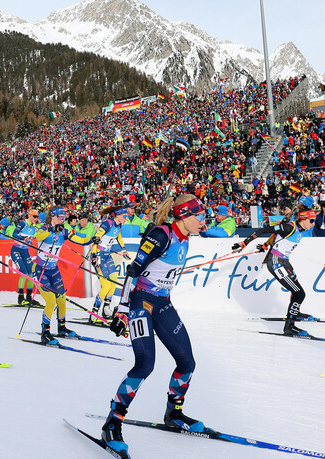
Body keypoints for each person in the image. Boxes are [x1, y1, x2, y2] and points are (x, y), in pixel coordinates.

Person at [99, 194, 209, 456]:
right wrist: (123, 311)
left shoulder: (185, 237)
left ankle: (174, 413)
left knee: (187, 362)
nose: (203, 221)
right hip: (141, 304)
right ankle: (112, 423)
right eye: (200, 216)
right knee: (145, 363)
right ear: (183, 215)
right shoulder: (161, 235)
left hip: (163, 304)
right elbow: (133, 272)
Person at [232, 202, 317, 335]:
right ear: (303, 219)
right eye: (311, 221)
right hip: (276, 262)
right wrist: (244, 243)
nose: (313, 224)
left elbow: (277, 238)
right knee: (300, 293)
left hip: (284, 261)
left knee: (295, 287)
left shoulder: (299, 229)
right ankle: (289, 326)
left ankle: (295, 312)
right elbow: (264, 230)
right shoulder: (289, 228)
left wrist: (266, 245)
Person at [35, 207, 77, 343]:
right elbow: (39, 237)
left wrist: (92, 240)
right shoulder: (44, 228)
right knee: (51, 301)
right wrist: (52, 230)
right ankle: (45, 332)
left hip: (54, 270)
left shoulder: (64, 231)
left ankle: (62, 327)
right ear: (53, 216)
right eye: (60, 217)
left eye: (64, 217)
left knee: (61, 299)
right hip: (41, 270)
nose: (63, 219)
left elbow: (78, 239)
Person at [89, 205, 132, 324]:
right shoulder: (107, 224)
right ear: (118, 215)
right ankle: (94, 311)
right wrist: (93, 255)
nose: (126, 218)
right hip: (98, 256)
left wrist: (124, 250)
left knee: (114, 281)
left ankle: (106, 308)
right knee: (106, 286)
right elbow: (96, 238)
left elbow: (118, 237)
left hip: (107, 255)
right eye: (124, 216)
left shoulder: (119, 225)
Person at [10, 209, 43, 306]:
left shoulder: (34, 228)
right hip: (16, 250)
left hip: (25, 252)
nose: (36, 219)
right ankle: (20, 298)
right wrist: (24, 239)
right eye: (34, 216)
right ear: (29, 216)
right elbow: (14, 234)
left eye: (37, 217)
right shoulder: (23, 224)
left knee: (31, 274)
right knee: (24, 273)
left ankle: (29, 297)